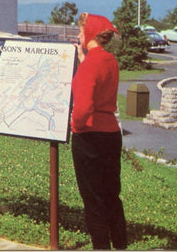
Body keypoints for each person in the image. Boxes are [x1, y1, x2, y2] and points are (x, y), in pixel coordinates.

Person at [70, 12, 127, 250]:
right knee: (111, 195)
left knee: (93, 200)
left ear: (90, 34)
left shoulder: (88, 66)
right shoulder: (109, 60)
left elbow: (83, 109)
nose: (78, 35)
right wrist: (85, 59)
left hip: (89, 137)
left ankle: (101, 246)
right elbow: (99, 76)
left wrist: (75, 126)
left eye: (81, 32)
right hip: (111, 135)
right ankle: (121, 245)